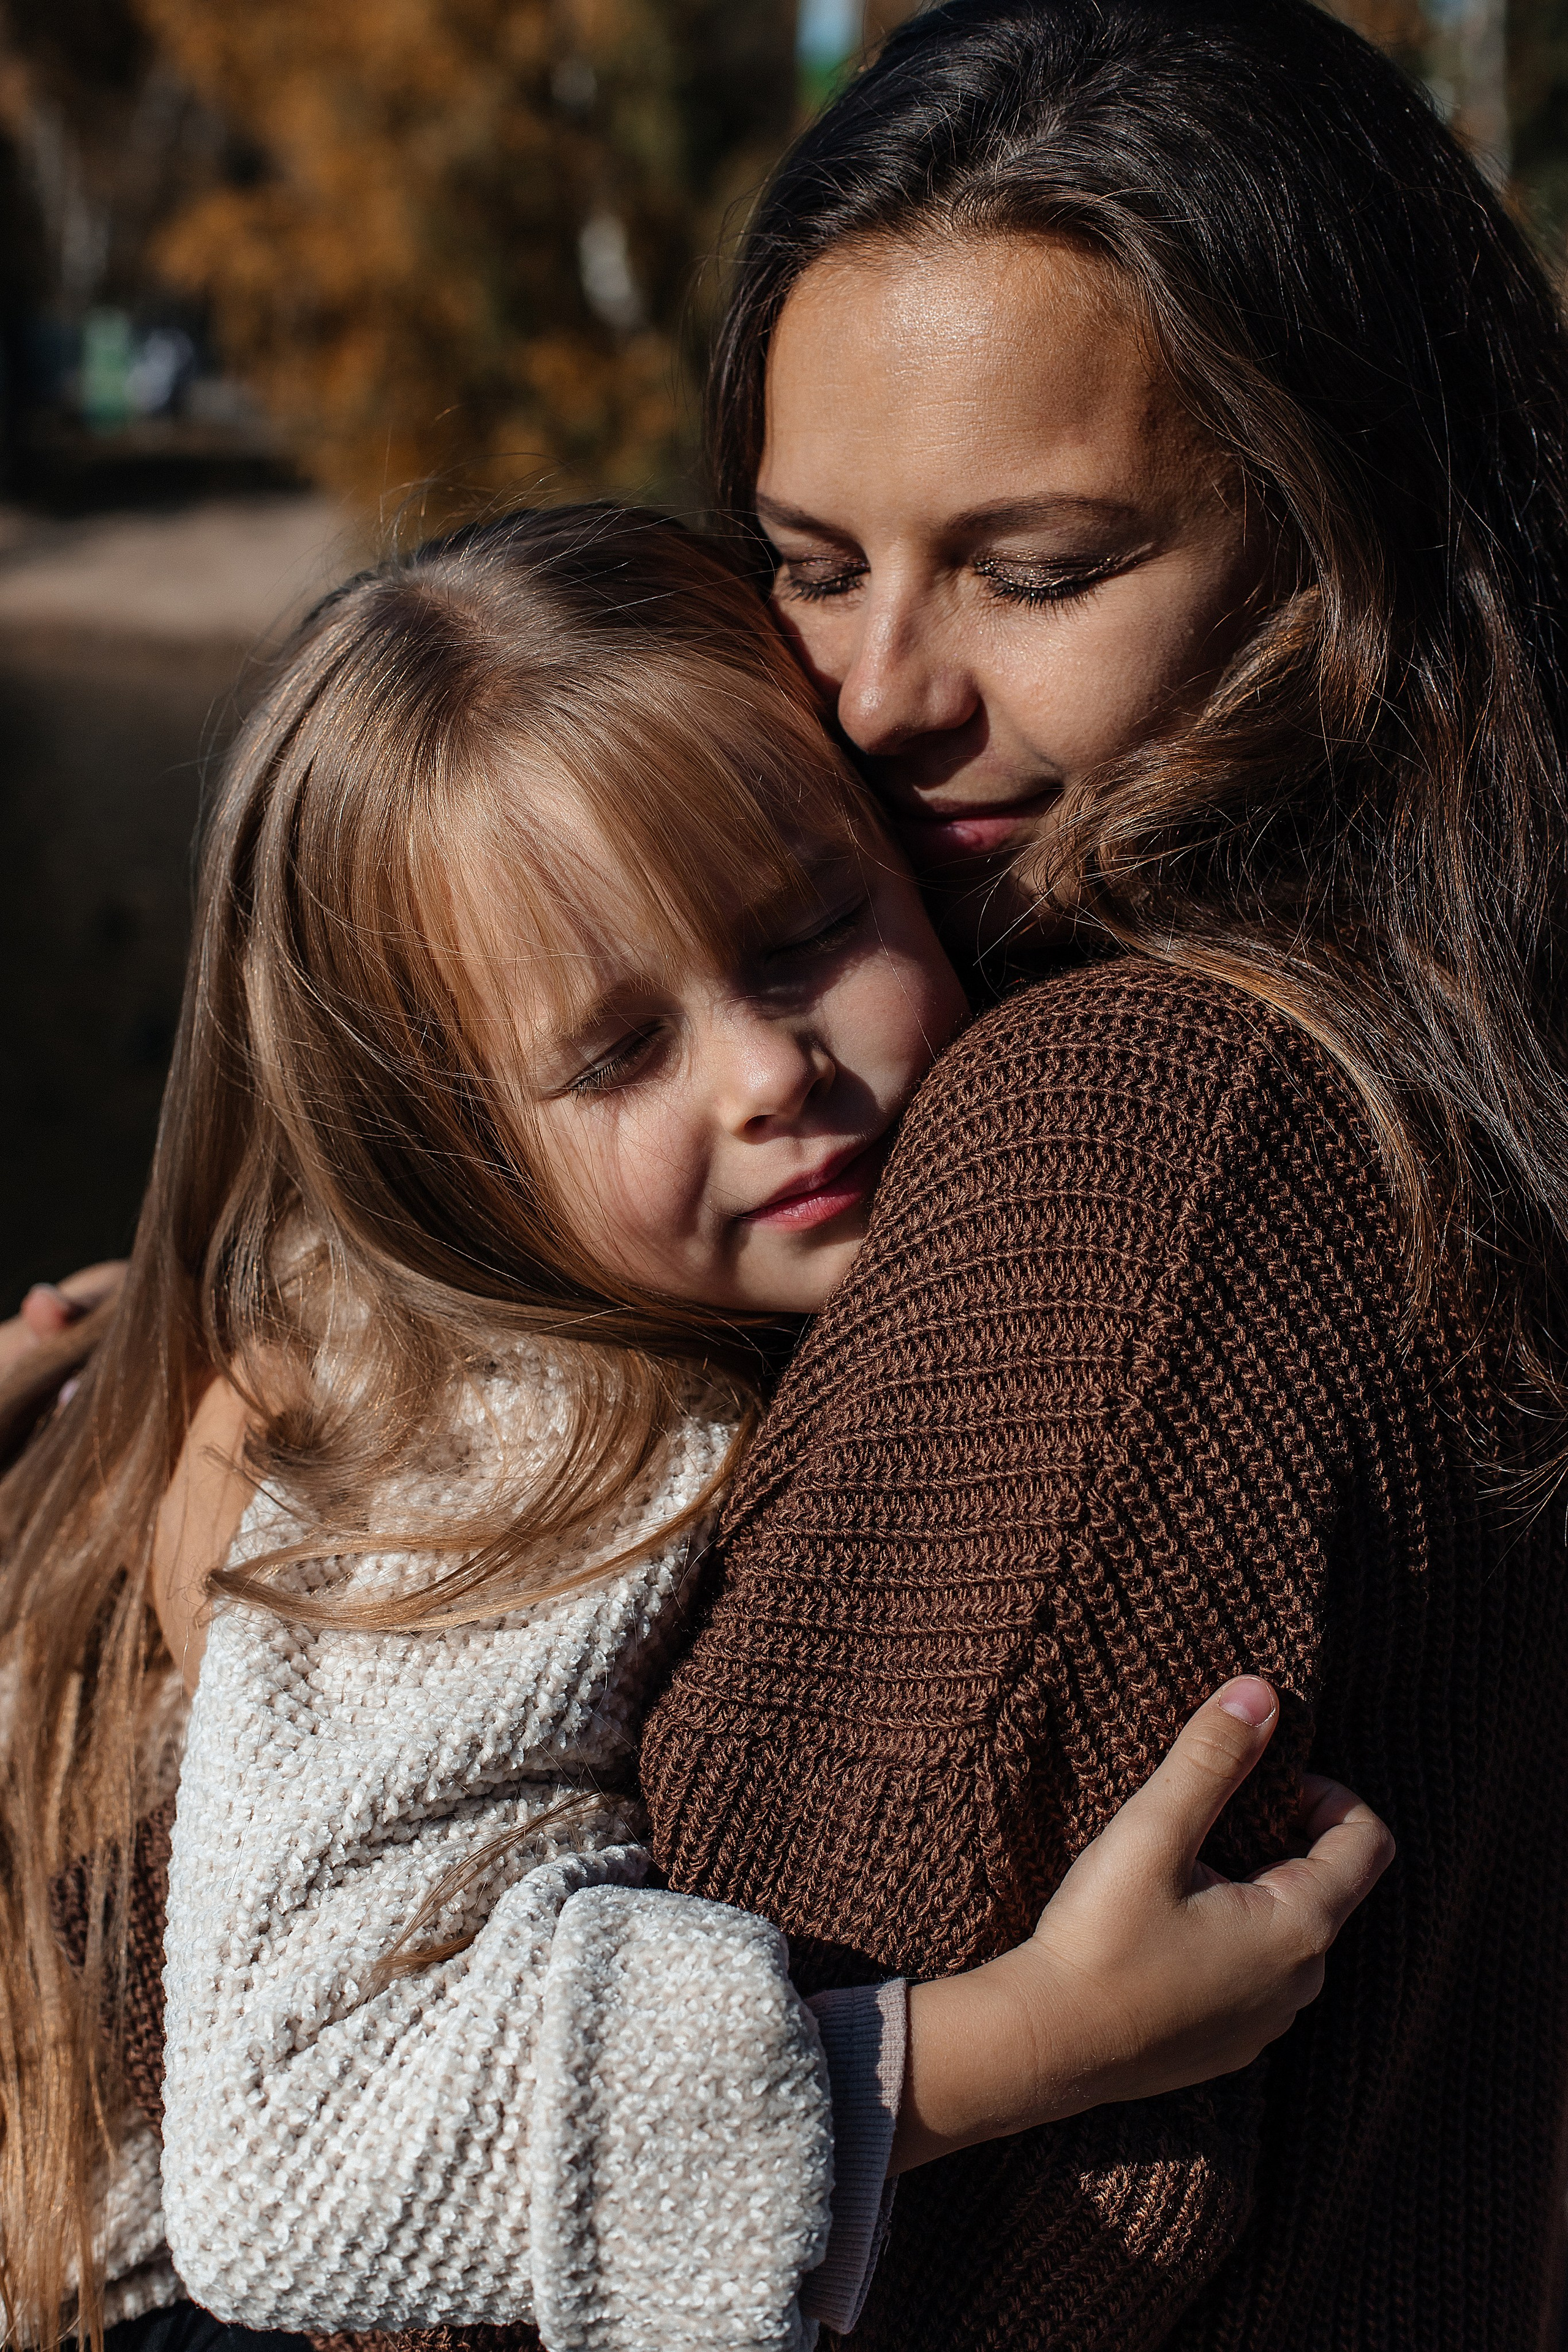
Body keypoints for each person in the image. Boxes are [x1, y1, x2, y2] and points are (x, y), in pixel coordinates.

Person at [0, 508, 1387, 2352]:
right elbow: (293, 2177)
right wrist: (1025, 2040)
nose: (769, 1073)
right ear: (454, 1157)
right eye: (616, 1054)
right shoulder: (507, 1435)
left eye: (814, 931)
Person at [632, 1, 1568, 2345]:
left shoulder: (1140, 1150)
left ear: (1357, 541)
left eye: (1036, 571)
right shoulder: (1449, 1048)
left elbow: (549, 2246)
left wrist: (160, 1679)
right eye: (807, 561)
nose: (878, 694)